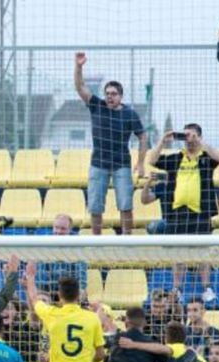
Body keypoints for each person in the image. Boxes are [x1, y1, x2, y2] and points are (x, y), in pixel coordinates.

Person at [145, 125, 219, 303]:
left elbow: (218, 158)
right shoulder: (175, 158)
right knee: (179, 253)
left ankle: (206, 288)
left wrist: (199, 141)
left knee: (203, 252)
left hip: (201, 213)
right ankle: (177, 288)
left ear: (199, 136)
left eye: (192, 135)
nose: (188, 139)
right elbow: (152, 160)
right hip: (178, 213)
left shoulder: (205, 158)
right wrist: (163, 141)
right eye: (186, 135)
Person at [74, 52, 148, 235]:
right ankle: (96, 241)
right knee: (95, 205)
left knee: (125, 204)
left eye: (114, 94)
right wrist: (79, 66)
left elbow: (143, 137)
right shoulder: (97, 106)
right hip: (98, 164)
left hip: (121, 164)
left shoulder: (130, 114)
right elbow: (80, 86)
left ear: (121, 96)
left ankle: (126, 239)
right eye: (107, 93)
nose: (109, 97)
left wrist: (139, 163)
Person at [35, 214, 89, 299]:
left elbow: (81, 274)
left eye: (63, 229)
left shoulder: (78, 245)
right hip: (48, 288)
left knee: (81, 294)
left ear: (69, 230)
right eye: (56, 227)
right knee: (40, 297)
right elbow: (41, 275)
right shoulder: (45, 243)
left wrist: (80, 289)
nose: (59, 231)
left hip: (70, 288)